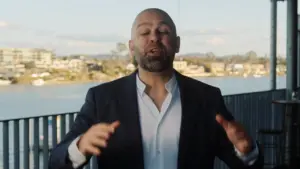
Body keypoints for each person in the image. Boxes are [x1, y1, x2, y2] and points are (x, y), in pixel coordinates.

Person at [48, 8, 263, 169]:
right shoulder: (102, 98)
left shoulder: (207, 98)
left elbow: (245, 162)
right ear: (132, 47)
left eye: (163, 31)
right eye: (144, 32)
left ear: (177, 44)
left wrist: (247, 151)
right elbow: (56, 161)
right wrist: (81, 145)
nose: (154, 37)